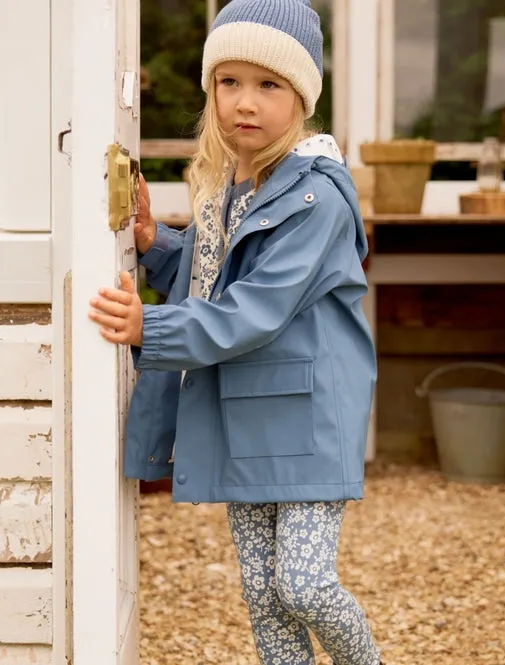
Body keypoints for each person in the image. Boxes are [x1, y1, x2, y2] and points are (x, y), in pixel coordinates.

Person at [88, 1, 383, 663]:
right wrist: (153, 240)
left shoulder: (315, 196)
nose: (245, 102)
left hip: (306, 420)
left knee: (303, 584)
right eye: (229, 82)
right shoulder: (233, 186)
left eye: (268, 85)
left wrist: (149, 327)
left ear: (301, 96)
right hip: (244, 412)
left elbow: (254, 308)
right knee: (264, 595)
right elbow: (211, 274)